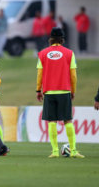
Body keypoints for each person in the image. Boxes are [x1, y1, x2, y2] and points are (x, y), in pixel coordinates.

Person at [36, 27, 84, 158]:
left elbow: (39, 74)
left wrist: (38, 90)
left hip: (49, 92)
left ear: (50, 39)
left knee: (52, 122)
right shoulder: (69, 53)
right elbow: (73, 75)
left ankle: (55, 151)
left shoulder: (42, 53)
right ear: (62, 40)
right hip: (64, 91)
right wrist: (72, 90)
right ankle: (73, 151)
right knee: (68, 121)